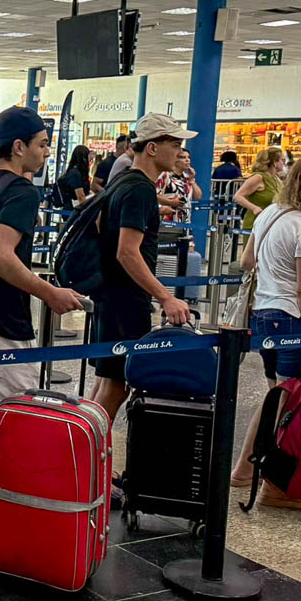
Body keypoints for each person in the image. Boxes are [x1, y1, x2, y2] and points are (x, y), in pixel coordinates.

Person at [0, 107, 83, 548]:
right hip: (1, 321)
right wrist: (49, 293)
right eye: (42, 144)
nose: (46, 153)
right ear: (20, 147)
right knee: (16, 422)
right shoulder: (23, 192)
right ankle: (13, 519)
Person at [229, 155, 301, 506]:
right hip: (293, 318)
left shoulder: (268, 214)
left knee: (275, 398)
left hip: (264, 312)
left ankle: (244, 472)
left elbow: (247, 261)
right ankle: (275, 489)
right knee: (290, 404)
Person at [89, 114, 195, 421]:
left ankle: (88, 456)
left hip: (111, 295)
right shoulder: (139, 189)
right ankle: (87, 458)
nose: (179, 150)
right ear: (151, 148)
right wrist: (166, 296)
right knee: (116, 386)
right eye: (174, 143)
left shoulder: (124, 182)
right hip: (124, 298)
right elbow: (128, 253)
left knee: (107, 382)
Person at [233, 147, 286, 231]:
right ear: (274, 162)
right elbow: (238, 196)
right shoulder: (258, 177)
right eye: (282, 160)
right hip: (256, 224)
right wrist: (254, 208)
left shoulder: (276, 178)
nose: (284, 164)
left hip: (272, 223)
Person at [156, 148, 201, 223]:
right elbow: (154, 194)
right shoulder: (165, 175)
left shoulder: (186, 177)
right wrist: (170, 202)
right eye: (182, 157)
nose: (187, 160)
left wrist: (192, 179)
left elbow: (197, 197)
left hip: (185, 221)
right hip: (167, 220)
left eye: (188, 157)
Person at [54, 145, 91, 209]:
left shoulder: (74, 172)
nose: (91, 159)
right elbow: (80, 197)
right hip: (73, 209)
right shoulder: (75, 174)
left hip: (73, 208)